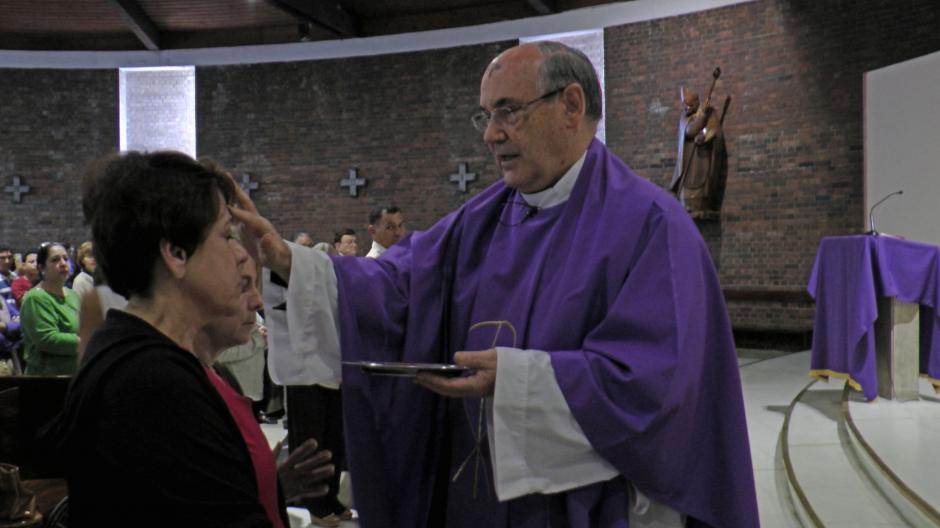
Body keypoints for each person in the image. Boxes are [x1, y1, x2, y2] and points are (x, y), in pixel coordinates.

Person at [233, 42, 757, 527]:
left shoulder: (651, 226)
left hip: (587, 508)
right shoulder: (477, 220)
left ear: (571, 105)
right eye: (486, 116)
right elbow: (394, 287)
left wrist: (518, 380)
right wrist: (288, 262)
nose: (490, 134)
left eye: (508, 111)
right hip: (474, 498)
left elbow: (659, 387)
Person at [42, 151, 329, 526]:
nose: (243, 255)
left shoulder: (151, 359)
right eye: (227, 234)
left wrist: (265, 485)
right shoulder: (151, 383)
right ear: (176, 254)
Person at [19, 242, 80, 375]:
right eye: (55, 260)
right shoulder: (35, 298)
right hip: (47, 379)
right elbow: (48, 340)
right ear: (41, 268)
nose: (63, 263)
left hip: (75, 376)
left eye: (65, 258)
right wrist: (88, 341)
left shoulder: (73, 295)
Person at [669, 85, 728, 217]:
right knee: (687, 192)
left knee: (702, 189)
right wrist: (702, 116)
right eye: (685, 105)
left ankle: (702, 204)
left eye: (689, 105)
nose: (686, 108)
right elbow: (690, 130)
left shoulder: (709, 112)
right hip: (688, 164)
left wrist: (705, 136)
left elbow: (714, 130)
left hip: (703, 160)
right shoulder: (685, 117)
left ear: (696, 102)